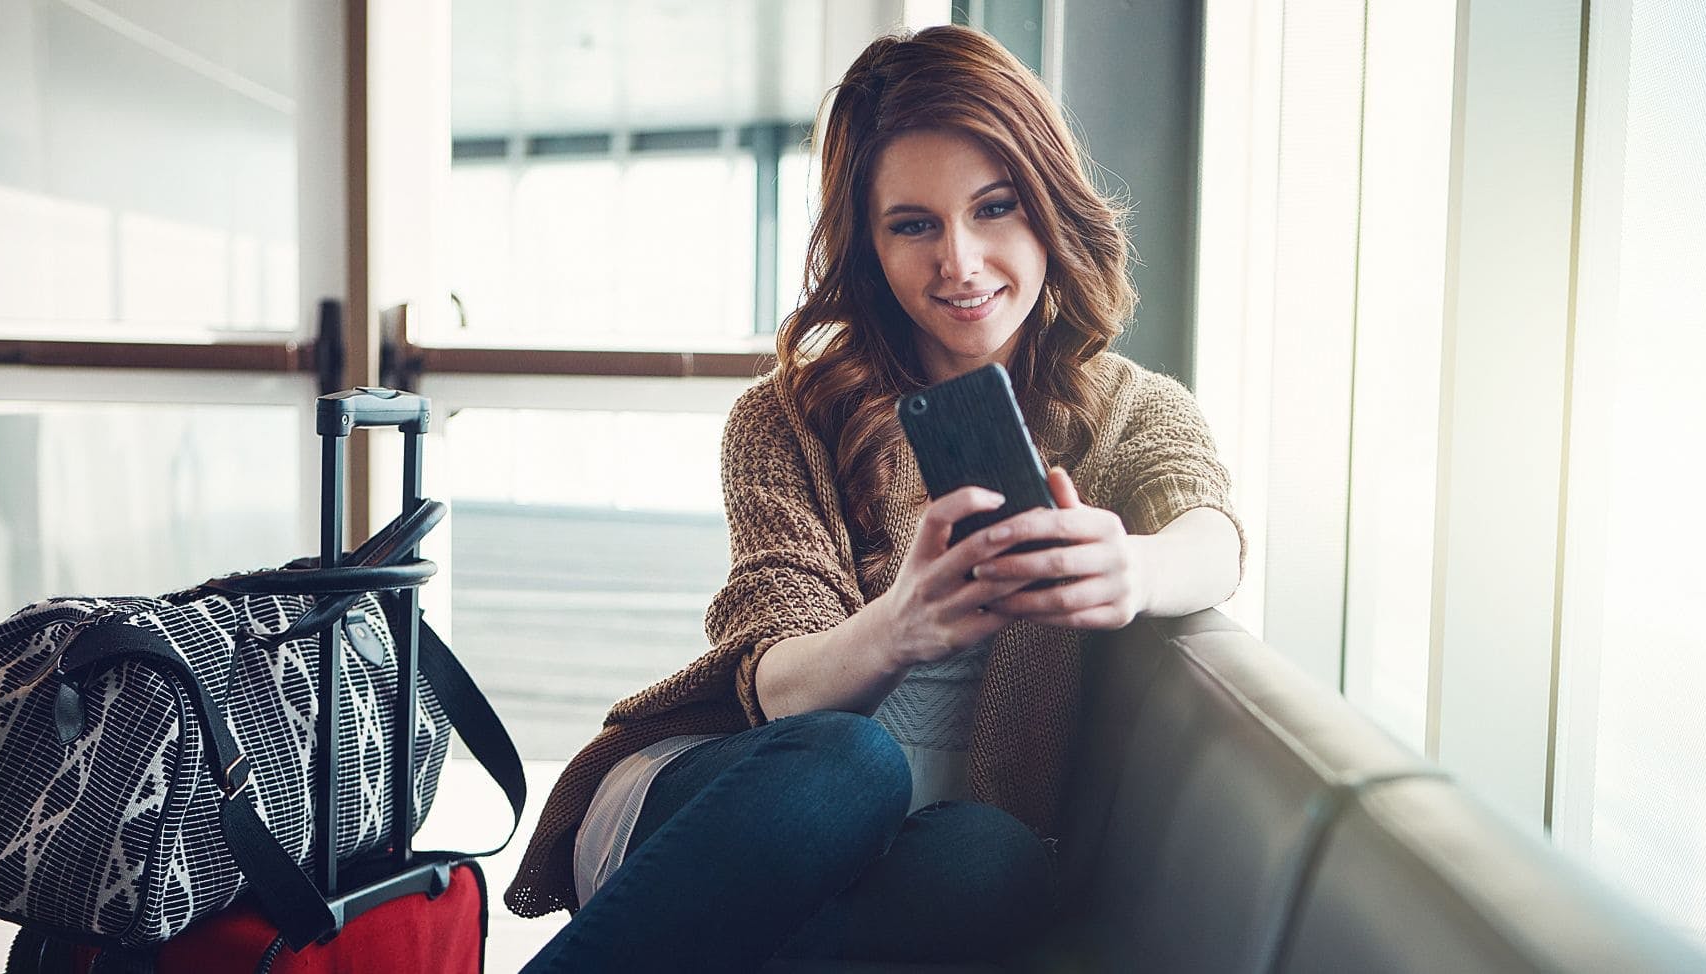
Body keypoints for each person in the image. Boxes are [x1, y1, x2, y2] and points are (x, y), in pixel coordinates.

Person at [507, 24, 1242, 972]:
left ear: (1050, 210)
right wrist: (903, 624)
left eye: (995, 209)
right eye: (914, 225)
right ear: (870, 245)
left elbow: (1212, 528)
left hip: (919, 862)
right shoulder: (789, 419)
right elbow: (772, 680)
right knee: (850, 764)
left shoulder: (1131, 411)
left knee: (995, 856)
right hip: (735, 809)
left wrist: (1135, 567)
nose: (962, 262)